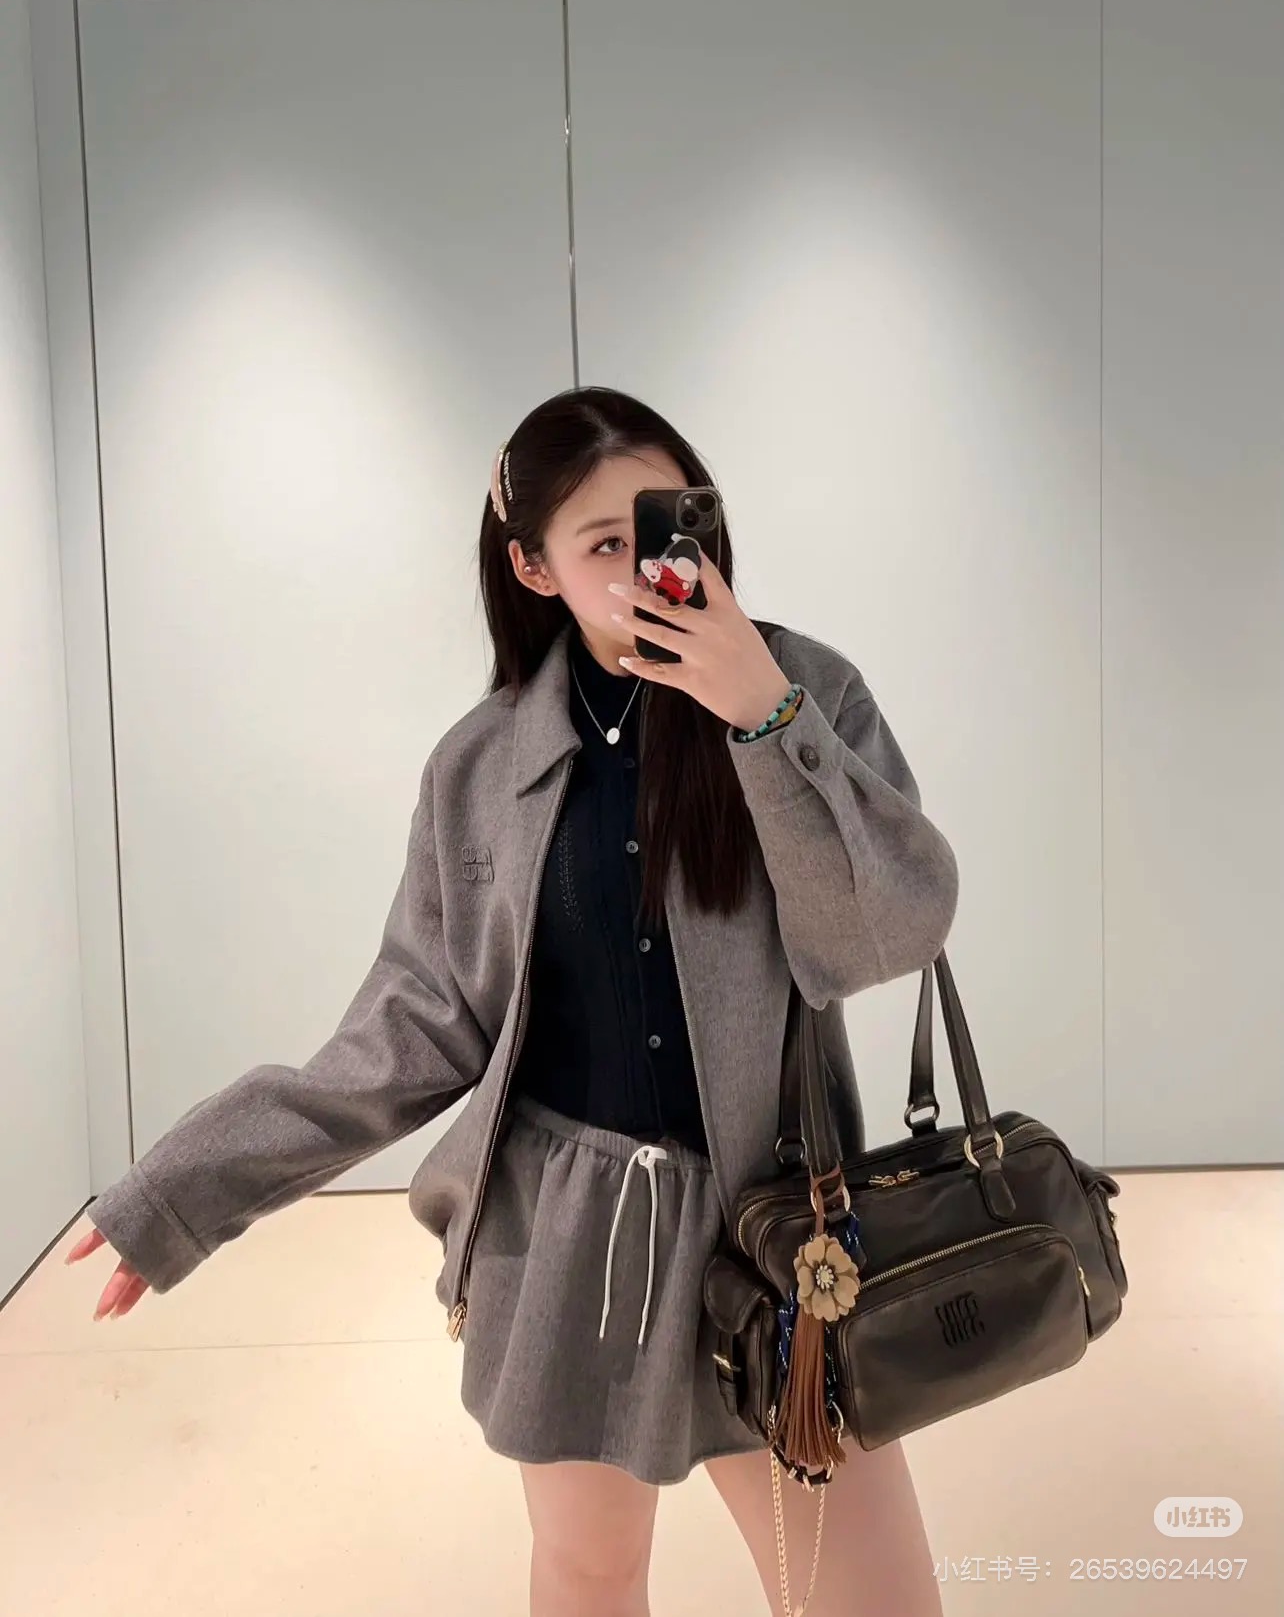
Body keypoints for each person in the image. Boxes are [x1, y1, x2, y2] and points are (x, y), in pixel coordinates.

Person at [68, 386, 959, 1617]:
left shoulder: (805, 690)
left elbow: (890, 931)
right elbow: (412, 1030)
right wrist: (186, 1185)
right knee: (590, 1577)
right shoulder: (481, 766)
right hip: (567, 1246)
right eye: (605, 544)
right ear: (534, 567)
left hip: (773, 1243)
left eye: (673, 521)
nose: (654, 565)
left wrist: (765, 715)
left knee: (873, 1598)